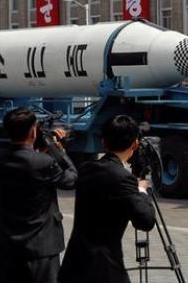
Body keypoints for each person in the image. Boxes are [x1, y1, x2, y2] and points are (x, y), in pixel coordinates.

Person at [59, 115, 155, 283]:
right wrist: (141, 190)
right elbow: (145, 221)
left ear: (103, 142)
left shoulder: (86, 168)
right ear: (135, 144)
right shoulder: (123, 178)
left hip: (74, 265)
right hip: (104, 269)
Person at [0, 107, 77, 283]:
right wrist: (58, 149)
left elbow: (26, 163)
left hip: (7, 248)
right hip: (41, 250)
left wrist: (37, 151)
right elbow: (70, 180)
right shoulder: (43, 163)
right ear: (33, 131)